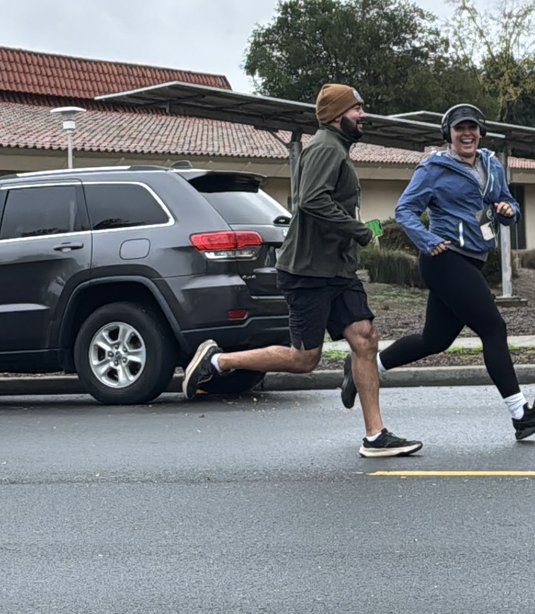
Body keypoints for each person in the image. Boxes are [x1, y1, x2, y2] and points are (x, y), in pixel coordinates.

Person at [178, 84, 422, 458]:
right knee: (304, 359)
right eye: (357, 109)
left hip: (337, 270)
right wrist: (357, 230)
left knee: (365, 339)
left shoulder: (336, 147)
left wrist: (355, 235)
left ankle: (375, 437)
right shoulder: (325, 148)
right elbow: (311, 201)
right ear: (337, 115)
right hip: (309, 271)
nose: (363, 115)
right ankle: (217, 361)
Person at [374, 105, 535, 439]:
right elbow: (404, 210)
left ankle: (366, 367)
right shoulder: (433, 168)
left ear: (481, 132)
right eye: (459, 128)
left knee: (435, 340)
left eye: (472, 128)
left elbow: (507, 204)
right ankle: (521, 414)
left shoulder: (491, 164)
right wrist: (427, 239)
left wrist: (508, 210)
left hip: (473, 258)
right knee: (493, 327)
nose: (467, 134)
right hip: (445, 258)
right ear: (448, 133)